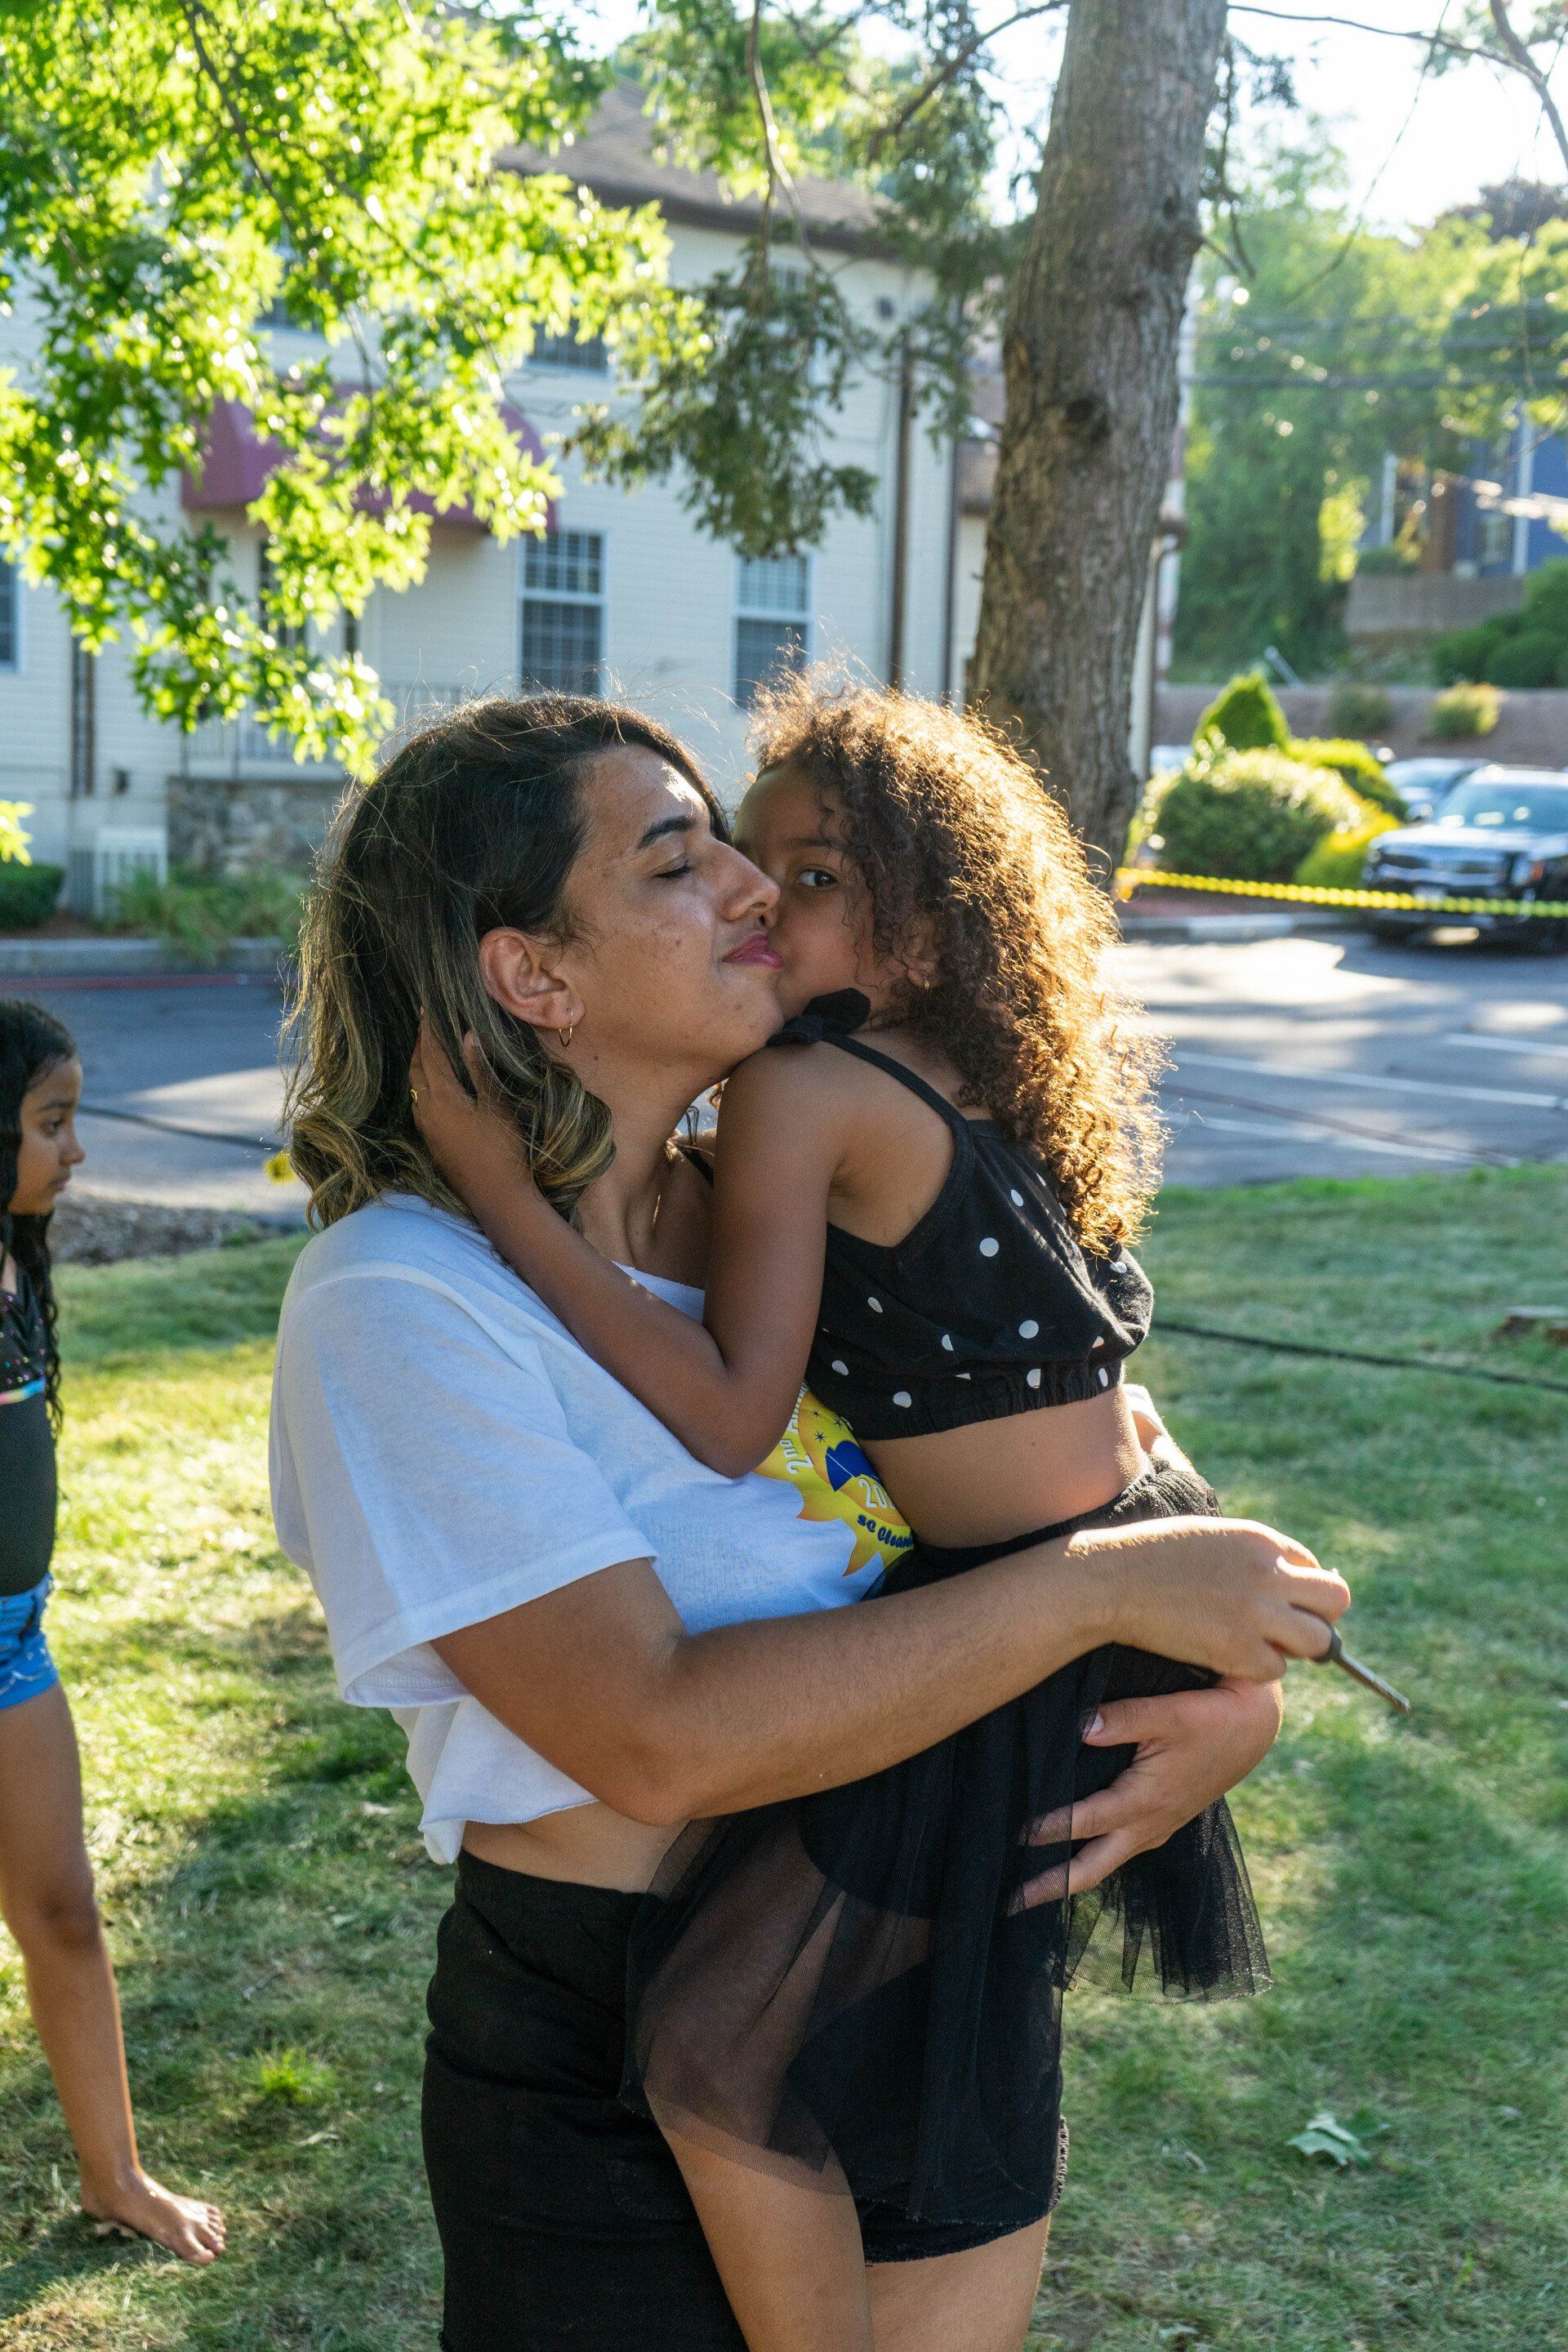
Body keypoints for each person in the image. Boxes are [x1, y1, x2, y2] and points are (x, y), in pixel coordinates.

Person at [269, 695, 1349, 2352]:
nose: (753, 891)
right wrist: (1090, 1599)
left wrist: (1218, 1702)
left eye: (755, 853)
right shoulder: (406, 1300)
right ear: (533, 976)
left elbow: (1105, 1464)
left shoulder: (812, 1205)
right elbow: (658, 1742)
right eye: (680, 860)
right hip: (625, 2027)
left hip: (936, 1948)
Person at [0, 999, 225, 2265]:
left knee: (66, 1914)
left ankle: (115, 2175)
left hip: (14, 1649)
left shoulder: (18, 1256)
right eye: (51, 1124)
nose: (75, 1151)